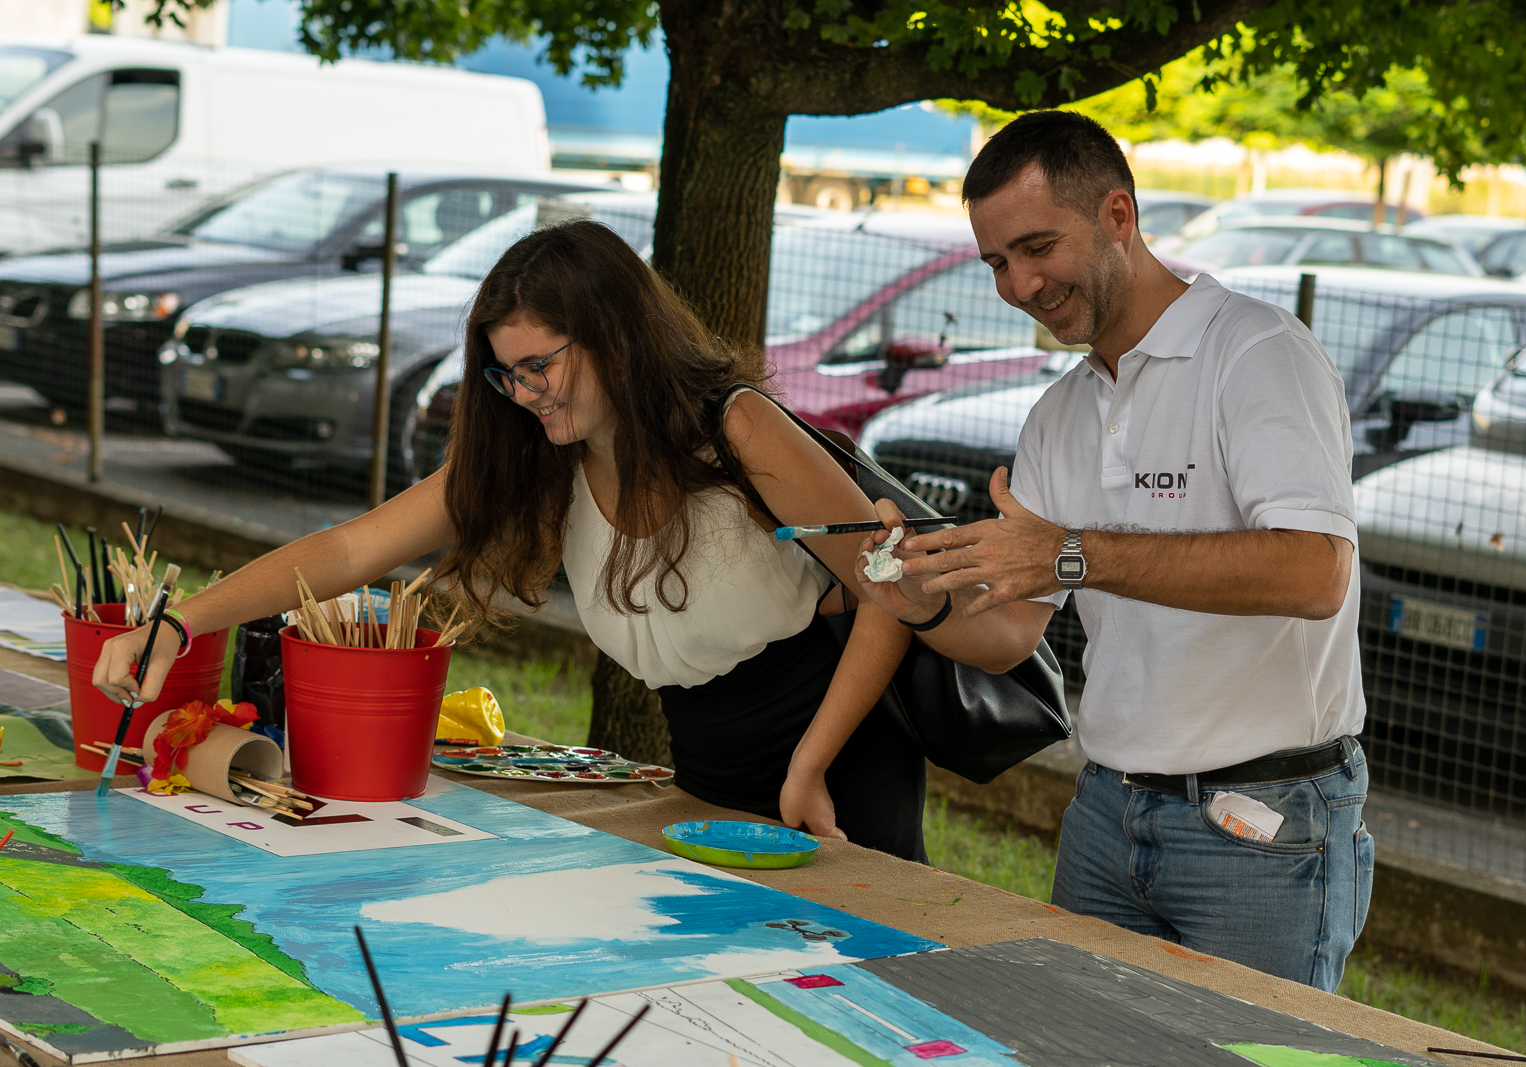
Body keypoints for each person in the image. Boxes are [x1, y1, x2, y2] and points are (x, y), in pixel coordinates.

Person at [94, 219, 928, 862]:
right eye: (506, 372)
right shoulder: (542, 459)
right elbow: (348, 552)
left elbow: (886, 588)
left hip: (840, 755)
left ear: (617, 339)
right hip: (707, 761)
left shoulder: (738, 425)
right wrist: (181, 621)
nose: (524, 393)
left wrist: (810, 763)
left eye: (542, 365)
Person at [855, 110, 1370, 989]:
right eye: (996, 263)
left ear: (1120, 217)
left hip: (1260, 821)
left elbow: (1316, 572)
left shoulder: (1255, 352)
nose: (1018, 283)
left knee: (1240, 1059)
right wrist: (921, 598)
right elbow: (1012, 633)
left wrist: (1071, 552)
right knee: (1077, 1046)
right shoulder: (1061, 409)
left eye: (1036, 247)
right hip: (1107, 807)